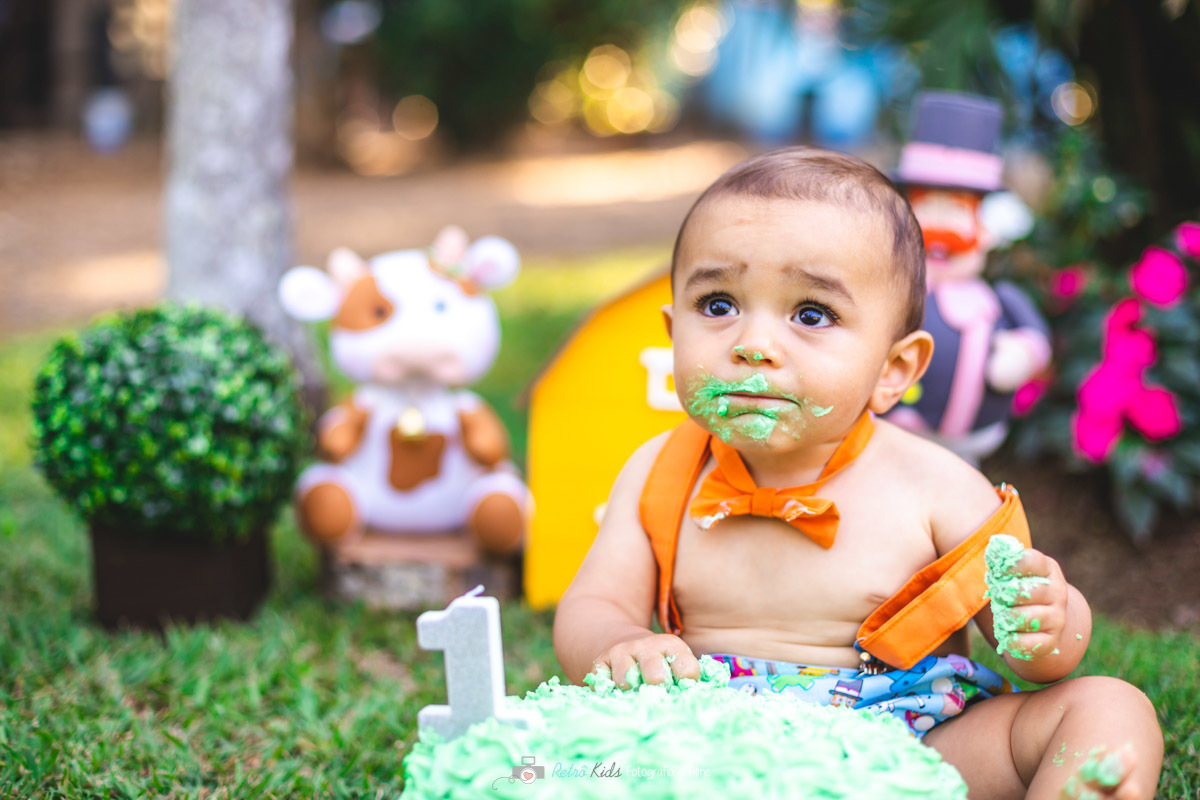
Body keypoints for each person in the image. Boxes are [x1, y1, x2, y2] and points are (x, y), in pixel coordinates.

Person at [553, 148, 1163, 800]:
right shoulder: (660, 472)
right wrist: (618, 642)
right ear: (672, 333)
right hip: (706, 746)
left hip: (906, 750)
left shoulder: (937, 486)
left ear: (894, 371)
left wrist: (1045, 620)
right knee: (570, 758)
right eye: (719, 304)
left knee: (1105, 707)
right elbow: (594, 606)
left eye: (811, 314)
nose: (753, 343)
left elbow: (1038, 661)